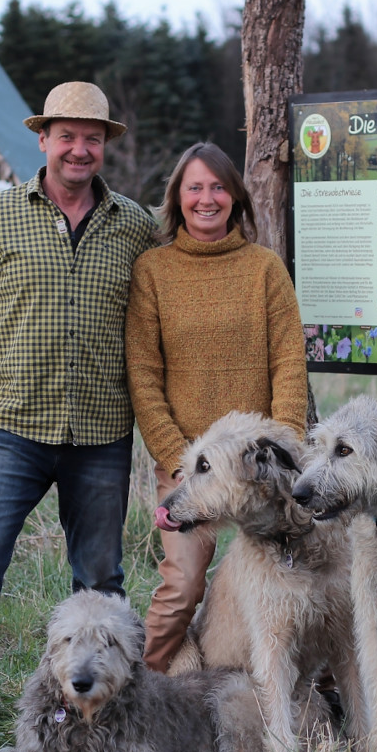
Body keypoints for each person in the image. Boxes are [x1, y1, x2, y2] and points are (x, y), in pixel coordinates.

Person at [0, 82, 157, 742]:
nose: (79, 148)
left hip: (102, 434)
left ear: (104, 145)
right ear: (43, 140)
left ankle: (107, 716)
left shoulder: (135, 226)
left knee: (101, 581)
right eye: (66, 136)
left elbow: (163, 311)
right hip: (11, 428)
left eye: (92, 138)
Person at [125, 141, 308, 673]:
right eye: (195, 187)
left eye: (217, 187)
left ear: (235, 196)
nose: (207, 199)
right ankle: (147, 690)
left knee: (294, 580)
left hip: (260, 470)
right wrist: (178, 457)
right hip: (188, 466)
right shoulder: (153, 271)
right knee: (183, 587)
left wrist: (285, 447)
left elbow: (288, 361)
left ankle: (312, 694)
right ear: (177, 198)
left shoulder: (264, 269)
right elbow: (143, 373)